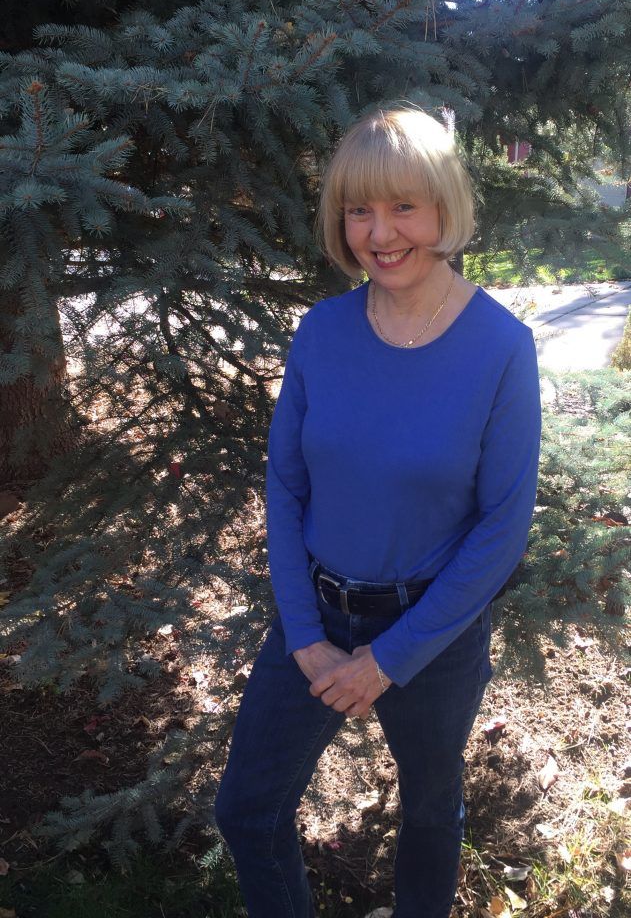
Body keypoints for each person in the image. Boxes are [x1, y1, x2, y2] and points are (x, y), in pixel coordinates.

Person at [214, 107, 542, 918]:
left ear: (443, 209)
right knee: (247, 810)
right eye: (358, 209)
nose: (379, 232)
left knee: (431, 814)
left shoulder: (499, 346)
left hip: (431, 633)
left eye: (403, 207)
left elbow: (501, 526)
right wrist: (305, 637)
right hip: (315, 623)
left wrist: (388, 659)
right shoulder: (322, 332)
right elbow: (286, 486)